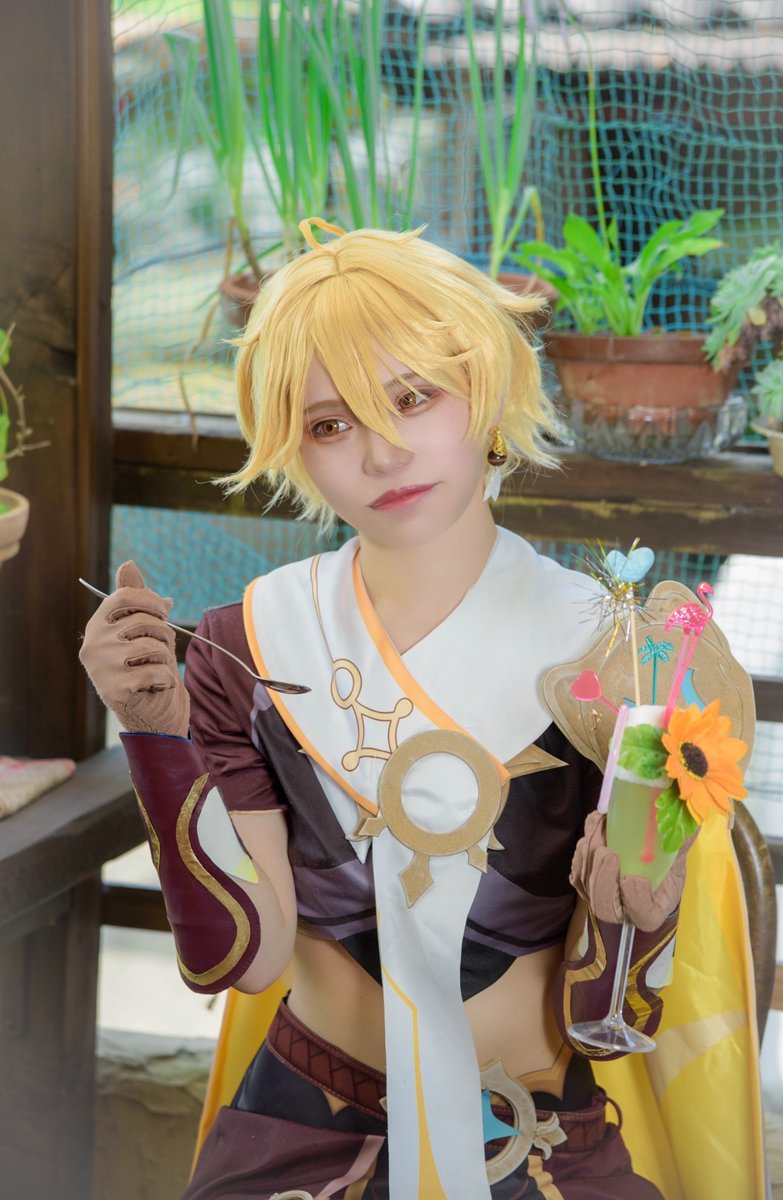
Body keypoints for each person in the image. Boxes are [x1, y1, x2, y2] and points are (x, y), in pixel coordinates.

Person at [80, 221, 734, 1200]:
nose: (382, 453)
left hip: (535, 1137)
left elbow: (612, 1019)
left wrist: (636, 909)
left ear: (486, 387)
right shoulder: (245, 644)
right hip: (303, 1132)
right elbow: (242, 961)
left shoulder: (616, 655)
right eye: (328, 425)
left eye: (412, 397)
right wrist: (152, 731)